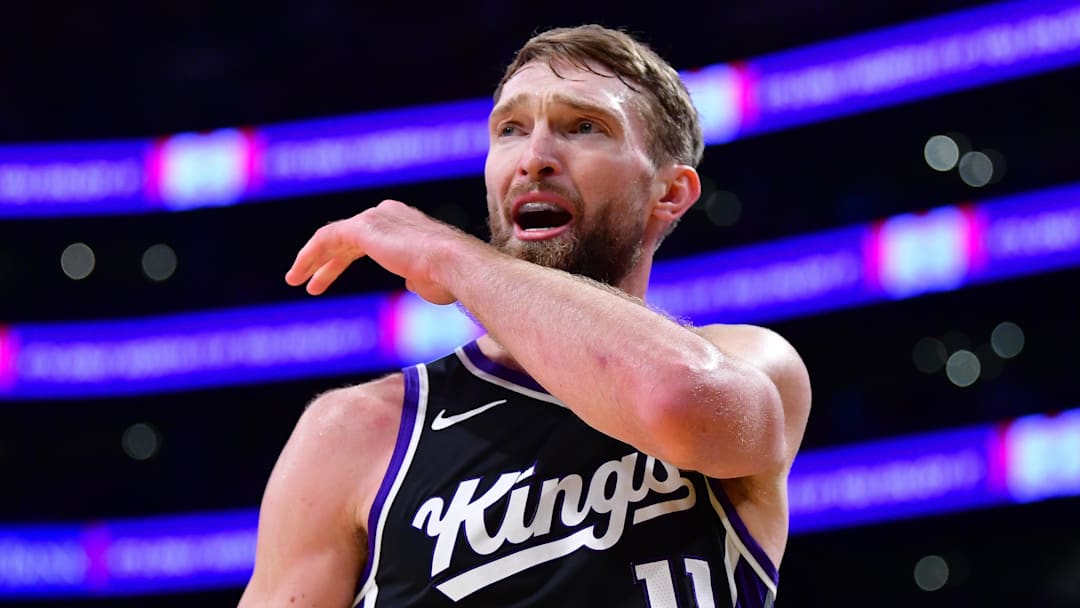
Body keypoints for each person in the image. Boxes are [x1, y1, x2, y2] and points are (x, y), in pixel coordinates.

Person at [239, 24, 811, 608]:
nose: (534, 158)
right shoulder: (356, 430)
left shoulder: (748, 361)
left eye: (584, 126)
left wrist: (450, 254)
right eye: (510, 130)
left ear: (669, 194)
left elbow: (676, 400)